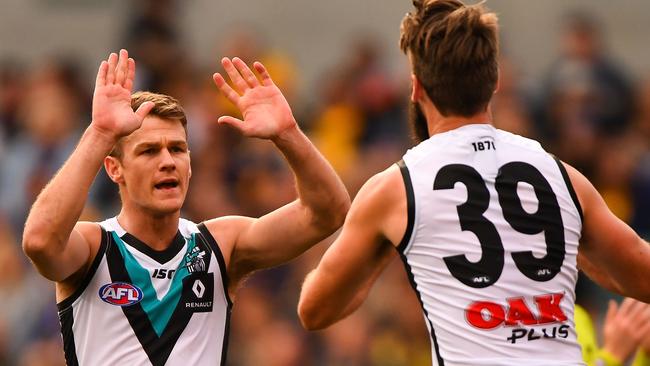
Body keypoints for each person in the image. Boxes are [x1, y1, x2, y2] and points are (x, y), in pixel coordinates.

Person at [297, 1, 650, 365]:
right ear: (495, 81)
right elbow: (641, 274)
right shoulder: (561, 175)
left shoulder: (396, 189)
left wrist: (388, 244)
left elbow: (315, 310)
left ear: (417, 88)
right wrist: (575, 247)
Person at [22, 49, 349, 366]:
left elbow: (327, 213)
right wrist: (100, 134)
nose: (167, 161)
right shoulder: (93, 248)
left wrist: (288, 135)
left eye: (178, 149)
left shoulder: (220, 245)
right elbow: (40, 241)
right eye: (149, 151)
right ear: (114, 168)